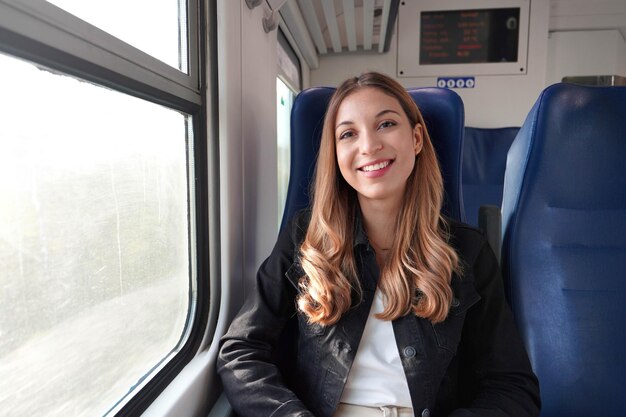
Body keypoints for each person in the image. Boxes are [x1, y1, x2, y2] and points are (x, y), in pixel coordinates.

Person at [217, 72, 540, 417]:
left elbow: (513, 387)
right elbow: (240, 350)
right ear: (337, 155)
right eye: (348, 134)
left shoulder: (467, 251)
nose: (369, 146)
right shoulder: (305, 239)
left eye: (385, 124)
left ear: (416, 139)